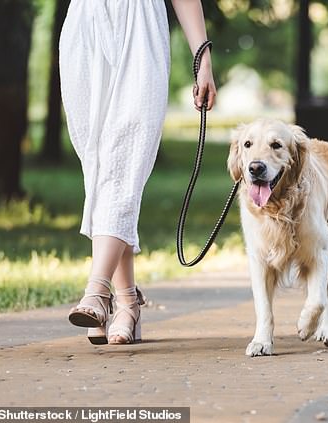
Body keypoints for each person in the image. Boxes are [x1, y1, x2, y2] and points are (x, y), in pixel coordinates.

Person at [59, 0, 216, 345]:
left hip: (141, 27)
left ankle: (97, 290)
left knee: (123, 163)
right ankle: (127, 301)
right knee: (100, 169)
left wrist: (202, 58)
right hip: (83, 25)